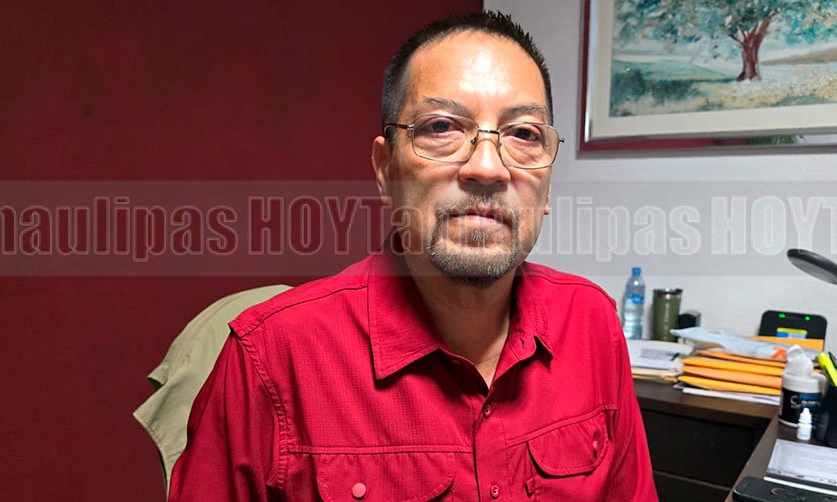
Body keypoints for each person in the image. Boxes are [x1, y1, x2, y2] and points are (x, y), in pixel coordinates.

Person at [169, 11, 657, 501]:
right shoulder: (272, 357)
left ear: (547, 185)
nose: (488, 167)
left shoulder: (591, 322)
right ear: (386, 171)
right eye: (441, 127)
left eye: (524, 134)